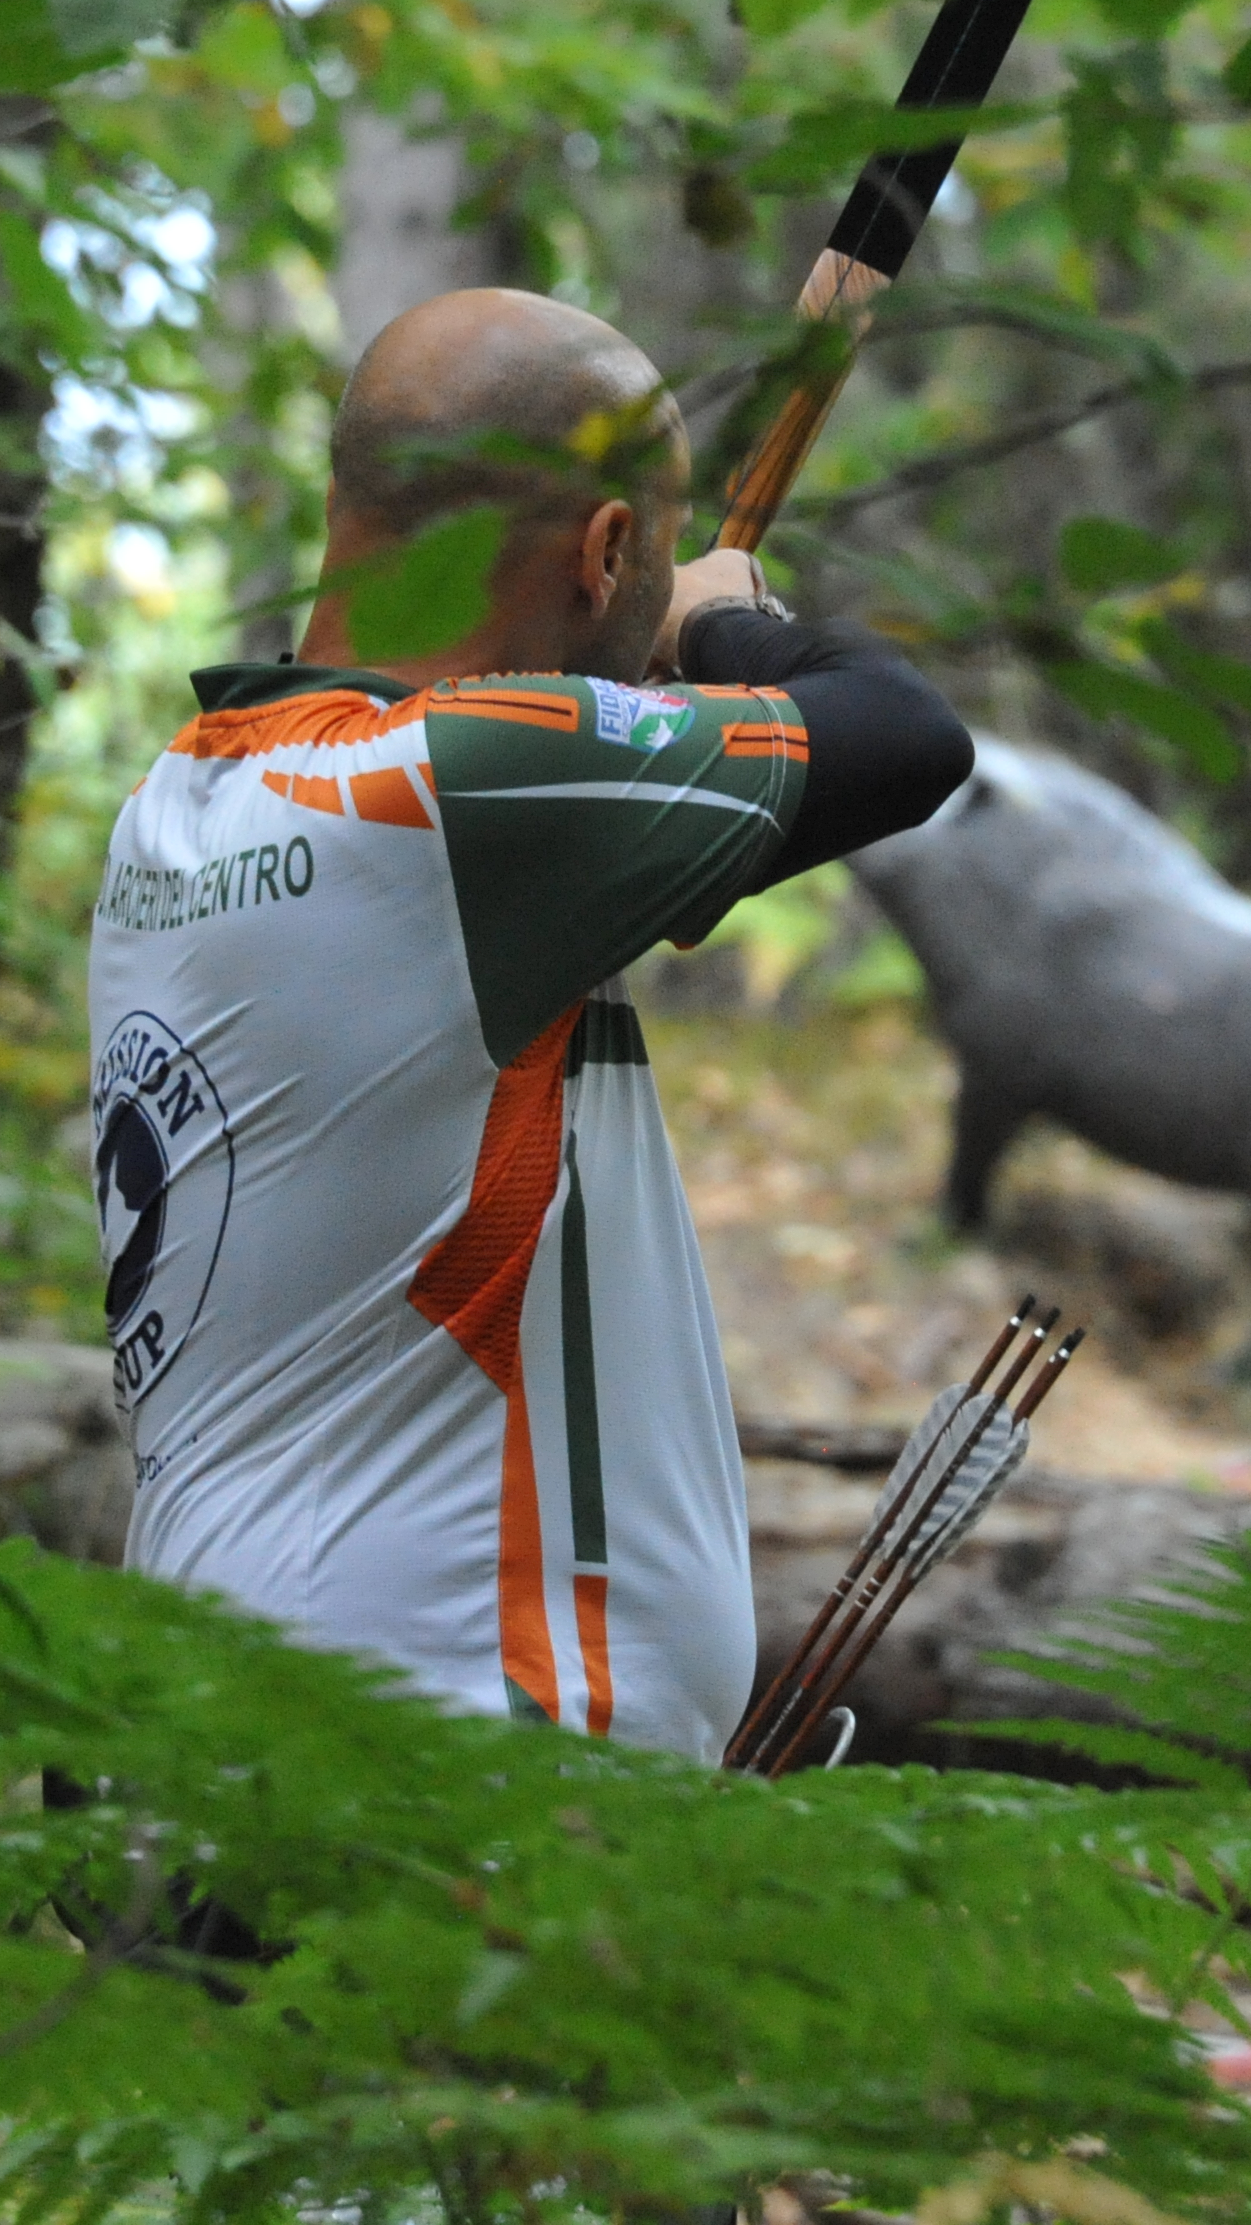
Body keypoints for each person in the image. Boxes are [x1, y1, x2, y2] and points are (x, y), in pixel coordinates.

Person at [85, 289, 971, 1758]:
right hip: (441, 1762)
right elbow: (903, 735)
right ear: (609, 548)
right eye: (653, 557)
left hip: (233, 1729)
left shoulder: (182, 808)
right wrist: (729, 616)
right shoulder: (453, 793)